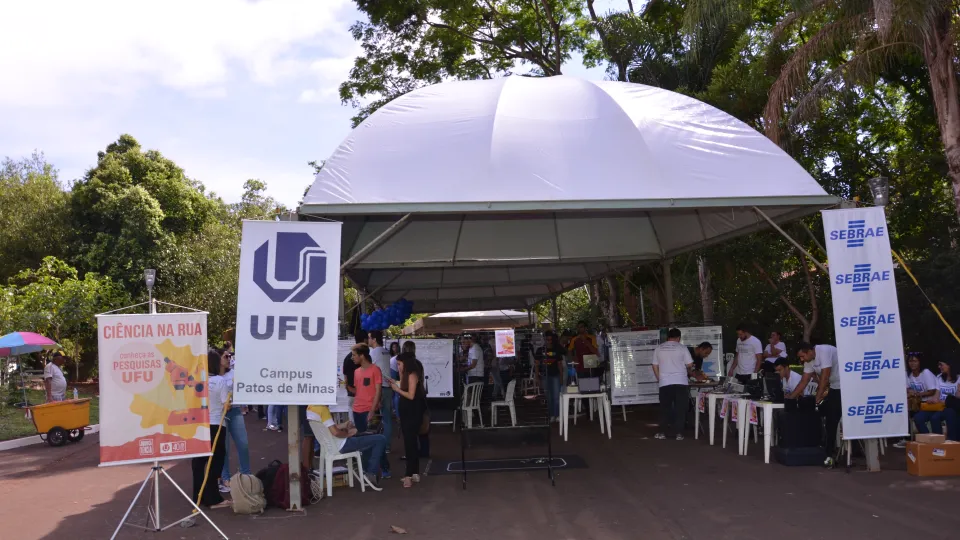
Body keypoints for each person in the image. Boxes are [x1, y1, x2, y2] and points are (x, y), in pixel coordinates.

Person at [306, 404, 386, 489]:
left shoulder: (310, 408)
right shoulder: (323, 409)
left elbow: (328, 428)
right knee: (380, 439)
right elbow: (336, 433)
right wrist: (348, 434)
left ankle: (366, 471)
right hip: (341, 445)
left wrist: (344, 425)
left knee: (367, 440)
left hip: (330, 446)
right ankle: (371, 473)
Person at [792, 342, 842, 467]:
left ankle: (830, 453)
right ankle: (825, 447)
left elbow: (825, 377)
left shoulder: (824, 350)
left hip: (845, 385)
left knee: (832, 417)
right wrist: (791, 397)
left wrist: (817, 398)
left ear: (810, 351)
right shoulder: (809, 361)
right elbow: (804, 381)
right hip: (835, 386)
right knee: (822, 414)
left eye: (803, 356)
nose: (802, 360)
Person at [192, 350, 230, 508]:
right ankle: (213, 498)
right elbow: (226, 405)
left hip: (199, 424)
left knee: (199, 461)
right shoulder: (220, 381)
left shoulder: (196, 381)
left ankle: (197, 495)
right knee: (216, 461)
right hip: (216, 423)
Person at [389, 352, 427, 488]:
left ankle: (408, 475)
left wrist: (396, 389)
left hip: (412, 412)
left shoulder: (412, 375)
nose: (398, 367)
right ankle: (414, 472)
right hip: (409, 411)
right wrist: (397, 383)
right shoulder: (409, 375)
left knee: (410, 443)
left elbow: (410, 395)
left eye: (399, 364)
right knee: (411, 442)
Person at [652, 328, 694, 440]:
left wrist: (659, 377)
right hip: (681, 382)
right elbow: (690, 364)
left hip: (665, 382)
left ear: (668, 337)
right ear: (679, 338)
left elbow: (654, 365)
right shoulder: (682, 348)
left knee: (665, 408)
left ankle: (662, 433)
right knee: (680, 408)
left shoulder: (659, 348)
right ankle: (679, 434)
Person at [219, 351, 250, 494]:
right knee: (224, 448)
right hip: (219, 414)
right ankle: (225, 479)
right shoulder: (212, 376)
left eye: (229, 356)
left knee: (243, 444)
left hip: (235, 410)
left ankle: (246, 475)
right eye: (225, 356)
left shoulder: (233, 373)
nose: (229, 359)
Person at [893, 353, 938, 448]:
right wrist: (910, 391)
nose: (912, 363)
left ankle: (928, 441)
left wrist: (917, 394)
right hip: (918, 404)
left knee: (918, 417)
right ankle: (906, 439)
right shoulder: (909, 374)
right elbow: (907, 388)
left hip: (930, 404)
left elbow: (932, 391)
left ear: (920, 362)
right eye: (910, 361)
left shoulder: (925, 372)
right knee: (902, 412)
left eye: (915, 361)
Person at [913, 359, 960, 441]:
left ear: (949, 365)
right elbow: (937, 394)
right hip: (938, 406)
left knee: (937, 417)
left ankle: (951, 441)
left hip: (949, 407)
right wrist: (932, 400)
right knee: (918, 417)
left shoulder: (959, 378)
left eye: (941, 365)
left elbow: (957, 397)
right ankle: (930, 439)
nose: (939, 367)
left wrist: (946, 400)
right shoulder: (939, 377)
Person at [399, 341, 430, 460]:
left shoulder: (407, 366)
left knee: (409, 429)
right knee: (422, 424)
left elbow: (404, 384)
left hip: (410, 398)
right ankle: (424, 450)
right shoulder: (419, 364)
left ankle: (411, 453)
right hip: (421, 396)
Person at [368, 330, 394, 452]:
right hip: (388, 387)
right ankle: (387, 445)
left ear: (374, 339)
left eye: (369, 338)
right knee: (387, 418)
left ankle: (372, 444)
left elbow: (368, 370)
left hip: (378, 388)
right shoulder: (386, 352)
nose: (368, 340)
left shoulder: (373, 353)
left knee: (371, 414)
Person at [351, 343, 382, 434]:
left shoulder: (375, 369)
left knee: (372, 438)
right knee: (361, 439)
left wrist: (372, 410)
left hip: (369, 410)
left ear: (362, 356)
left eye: (354, 355)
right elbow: (359, 391)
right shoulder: (356, 371)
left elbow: (378, 391)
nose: (352, 358)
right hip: (356, 410)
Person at [536, 332, 566, 423]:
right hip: (545, 375)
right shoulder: (539, 350)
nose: (549, 341)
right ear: (544, 340)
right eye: (547, 339)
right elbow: (536, 364)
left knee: (556, 396)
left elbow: (559, 364)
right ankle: (551, 415)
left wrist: (561, 376)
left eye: (550, 339)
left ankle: (557, 415)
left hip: (555, 375)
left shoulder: (556, 350)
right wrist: (537, 376)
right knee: (548, 397)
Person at [343, 330, 368, 424]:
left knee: (353, 421)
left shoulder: (347, 357)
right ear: (365, 340)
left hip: (351, 392)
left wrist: (348, 388)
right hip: (361, 393)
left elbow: (345, 375)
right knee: (362, 421)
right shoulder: (364, 358)